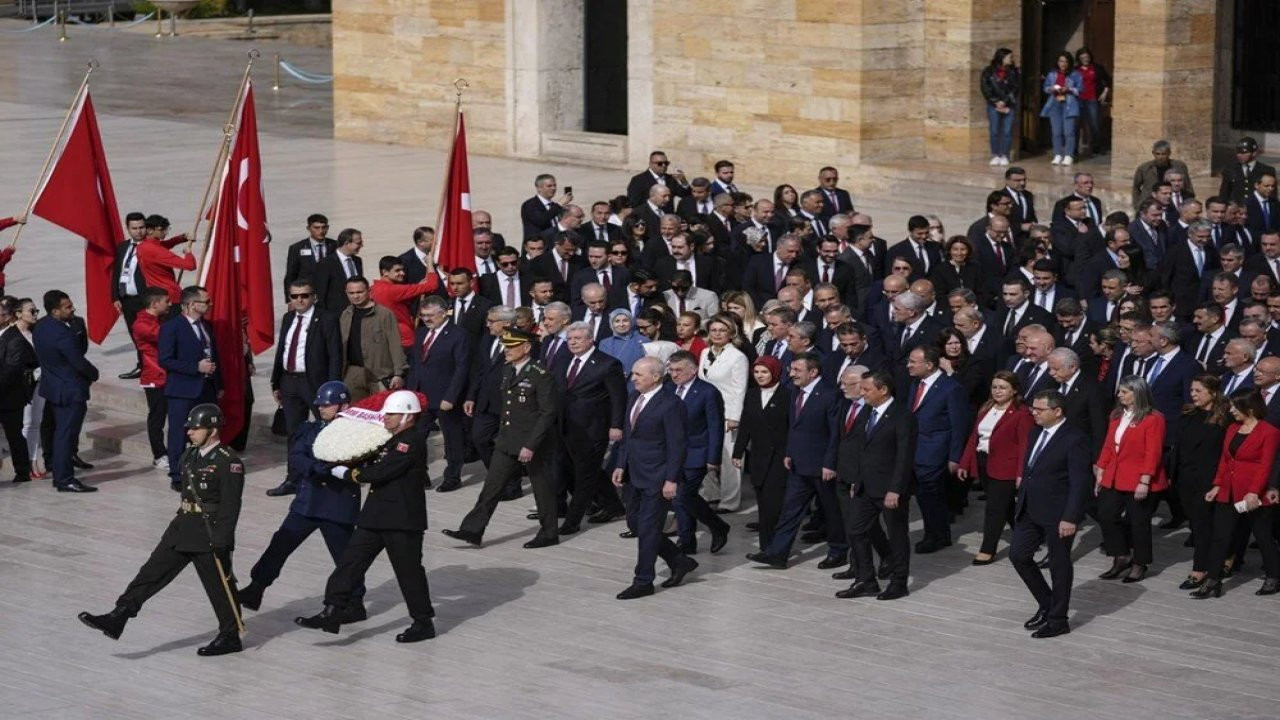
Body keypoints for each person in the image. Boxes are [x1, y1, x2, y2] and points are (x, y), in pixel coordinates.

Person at [78, 404, 245, 656]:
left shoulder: (227, 461)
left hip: (209, 533)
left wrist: (223, 540)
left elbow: (231, 505)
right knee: (150, 573)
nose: (190, 432)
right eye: (189, 428)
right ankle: (119, 615)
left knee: (219, 586)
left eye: (196, 428)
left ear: (212, 430)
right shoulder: (190, 455)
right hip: (182, 526)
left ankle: (230, 635)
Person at [295, 390, 437, 643]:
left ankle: (423, 621)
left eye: (391, 414)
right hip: (375, 516)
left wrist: (346, 474)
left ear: (407, 416)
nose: (386, 418)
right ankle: (332, 610)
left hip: (401, 521)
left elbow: (381, 472)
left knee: (409, 572)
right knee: (350, 563)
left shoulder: (411, 441)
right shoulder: (390, 439)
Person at [239, 382, 363, 613]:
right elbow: (297, 456)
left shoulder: (356, 434)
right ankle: (257, 587)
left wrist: (320, 466)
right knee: (279, 546)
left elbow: (349, 460)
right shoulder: (311, 429)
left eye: (327, 405)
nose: (322, 409)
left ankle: (354, 602)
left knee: (345, 558)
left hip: (337, 506)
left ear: (344, 405)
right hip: (308, 502)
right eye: (320, 405)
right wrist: (318, 467)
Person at [443, 329, 561, 548]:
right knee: (491, 487)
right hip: (507, 440)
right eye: (505, 346)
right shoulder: (507, 369)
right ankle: (472, 530)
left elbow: (548, 413)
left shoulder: (540, 375)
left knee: (542, 489)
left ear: (526, 348)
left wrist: (531, 445)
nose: (506, 351)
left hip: (533, 443)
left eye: (511, 347)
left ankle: (549, 533)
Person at [746, 352, 846, 569]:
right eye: (791, 369)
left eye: (797, 370)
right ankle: (777, 553)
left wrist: (830, 463)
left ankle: (839, 550)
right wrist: (789, 452)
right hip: (798, 464)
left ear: (813, 372)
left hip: (822, 466)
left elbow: (835, 433)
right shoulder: (794, 392)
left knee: (831, 511)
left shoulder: (830, 395)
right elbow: (793, 426)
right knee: (790, 511)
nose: (791, 374)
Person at [611, 356, 698, 599]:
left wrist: (671, 479)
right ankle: (678, 559)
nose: (633, 378)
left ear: (656, 377)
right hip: (634, 472)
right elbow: (629, 436)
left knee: (649, 528)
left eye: (639, 374)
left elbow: (677, 445)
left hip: (657, 476)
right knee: (636, 523)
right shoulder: (634, 397)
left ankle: (643, 580)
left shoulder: (671, 405)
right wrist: (620, 464)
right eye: (634, 373)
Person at [1009, 389, 1092, 639]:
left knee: (1059, 565)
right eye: (1033, 407)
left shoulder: (1074, 438)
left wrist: (1071, 517)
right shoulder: (1036, 432)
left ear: (1057, 411)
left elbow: (1080, 482)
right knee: (1018, 555)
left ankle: (1058, 619)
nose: (1034, 412)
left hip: (1058, 514)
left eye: (1039, 409)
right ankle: (1047, 602)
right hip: (1030, 508)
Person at [834, 370, 916, 600]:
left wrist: (895, 489)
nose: (862, 393)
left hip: (889, 488)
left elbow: (904, 456)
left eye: (866, 389)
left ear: (883, 390)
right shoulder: (867, 412)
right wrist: (856, 480)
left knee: (897, 535)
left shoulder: (902, 416)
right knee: (856, 529)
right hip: (865, 486)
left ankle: (899, 582)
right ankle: (866, 579)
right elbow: (861, 449)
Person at [1193, 389, 1280, 598]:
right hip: (1228, 491)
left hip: (1254, 495)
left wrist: (1253, 492)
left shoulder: (1269, 432)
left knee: (1263, 536)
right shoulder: (1232, 428)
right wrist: (1216, 485)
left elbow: (1265, 466)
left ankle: (1274, 576)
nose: (1231, 410)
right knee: (1220, 536)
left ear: (1249, 409)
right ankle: (1213, 580)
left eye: (1235, 407)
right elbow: (1225, 460)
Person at [266, 280, 343, 496]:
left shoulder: (327, 318)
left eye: (305, 295)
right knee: (294, 433)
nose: (300, 300)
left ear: (314, 297)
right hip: (290, 381)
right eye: (295, 296)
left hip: (316, 383)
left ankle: (327, 478)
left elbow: (335, 355)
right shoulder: (289, 318)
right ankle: (293, 478)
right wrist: (276, 381)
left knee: (326, 431)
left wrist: (332, 388)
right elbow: (283, 350)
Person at [553, 322, 627, 533]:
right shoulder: (564, 360)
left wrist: (616, 425)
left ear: (590, 339)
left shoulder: (608, 364)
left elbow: (618, 398)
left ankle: (572, 521)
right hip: (565, 426)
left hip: (592, 428)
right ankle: (613, 505)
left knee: (584, 474)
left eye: (577, 338)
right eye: (569, 339)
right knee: (581, 470)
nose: (573, 342)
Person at [1094, 376, 1167, 583]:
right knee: (1107, 514)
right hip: (1115, 474)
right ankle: (1121, 555)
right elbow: (1109, 444)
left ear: (1138, 393)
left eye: (1124, 392)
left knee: (1138, 522)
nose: (1119, 395)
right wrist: (1101, 469)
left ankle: (1140, 563)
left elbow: (1153, 452)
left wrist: (1145, 480)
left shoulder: (1153, 418)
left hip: (1139, 477)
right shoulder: (1117, 415)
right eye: (1120, 391)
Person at [958, 371, 1033, 564]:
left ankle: (987, 549)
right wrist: (965, 462)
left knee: (994, 508)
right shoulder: (986, 408)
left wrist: (1021, 474)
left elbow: (1025, 445)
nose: (997, 391)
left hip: (1006, 467)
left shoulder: (1022, 414)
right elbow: (974, 437)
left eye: (1003, 387)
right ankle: (1028, 535)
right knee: (1006, 506)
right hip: (984, 463)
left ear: (1014, 390)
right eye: (994, 387)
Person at [33, 290, 100, 493]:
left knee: (60, 433)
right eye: (67, 307)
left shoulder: (41, 326)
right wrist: (94, 374)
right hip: (69, 390)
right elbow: (78, 361)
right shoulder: (62, 333)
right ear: (55, 311)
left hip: (53, 387)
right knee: (66, 435)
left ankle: (59, 474)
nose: (73, 309)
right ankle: (65, 479)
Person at [1169, 375, 1231, 591]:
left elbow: (1225, 455)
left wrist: (1218, 482)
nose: (1193, 394)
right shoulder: (1188, 414)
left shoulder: (1223, 420)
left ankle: (1200, 569)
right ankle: (1222, 557)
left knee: (1202, 526)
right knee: (1197, 524)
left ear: (1212, 392)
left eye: (1198, 391)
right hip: (1185, 479)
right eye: (1192, 390)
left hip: (1208, 480)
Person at [665, 351, 731, 554]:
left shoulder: (707, 392)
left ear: (693, 370)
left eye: (679, 370)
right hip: (672, 453)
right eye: (671, 370)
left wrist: (713, 458)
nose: (674, 374)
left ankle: (716, 525)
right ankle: (687, 541)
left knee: (684, 495)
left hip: (697, 452)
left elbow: (715, 426)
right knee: (679, 497)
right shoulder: (668, 388)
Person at [905, 345, 969, 553]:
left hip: (935, 451)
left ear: (929, 365)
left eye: (913, 362)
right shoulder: (916, 384)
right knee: (923, 495)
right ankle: (934, 532)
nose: (909, 365)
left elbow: (959, 425)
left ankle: (938, 536)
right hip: (915, 449)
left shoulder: (951, 388)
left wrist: (955, 457)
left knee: (932, 494)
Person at [160, 286, 221, 492]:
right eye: (206, 301)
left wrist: (218, 383)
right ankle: (177, 474)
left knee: (207, 431)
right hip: (182, 389)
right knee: (179, 433)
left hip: (206, 388)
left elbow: (214, 355)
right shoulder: (172, 327)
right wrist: (195, 367)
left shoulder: (207, 326)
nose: (209, 304)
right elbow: (165, 359)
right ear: (192, 304)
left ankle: (204, 468)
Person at [408, 295, 471, 492]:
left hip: (445, 397)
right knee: (417, 437)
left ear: (443, 314)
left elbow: (462, 368)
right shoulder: (420, 333)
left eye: (430, 315)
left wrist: (451, 397)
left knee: (452, 439)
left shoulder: (458, 335)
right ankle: (421, 474)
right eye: (423, 315)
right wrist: (411, 392)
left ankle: (452, 477)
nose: (426, 319)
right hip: (421, 397)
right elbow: (416, 364)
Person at [732, 356, 790, 549]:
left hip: (779, 458)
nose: (760, 376)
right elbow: (746, 424)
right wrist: (737, 452)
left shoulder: (787, 395)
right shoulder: (752, 394)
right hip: (758, 456)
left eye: (764, 372)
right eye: (756, 372)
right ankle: (766, 546)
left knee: (774, 504)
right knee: (763, 504)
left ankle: (776, 546)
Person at [698, 314, 749, 513]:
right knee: (706, 453)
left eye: (722, 330)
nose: (717, 334)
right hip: (707, 412)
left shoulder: (738, 357)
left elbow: (740, 389)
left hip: (728, 413)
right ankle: (711, 493)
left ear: (731, 333)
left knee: (730, 459)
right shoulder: (704, 352)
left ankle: (730, 501)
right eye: (714, 330)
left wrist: (734, 417)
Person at [338, 277, 406, 402]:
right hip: (352, 373)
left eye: (359, 292)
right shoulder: (345, 314)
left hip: (380, 374)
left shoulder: (384, 314)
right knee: (355, 415)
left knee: (381, 414)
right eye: (351, 293)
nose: (356, 296)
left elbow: (395, 344)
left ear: (369, 291)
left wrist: (398, 373)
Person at [131, 287, 173, 471]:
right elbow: (164, 335)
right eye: (166, 301)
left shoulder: (161, 319)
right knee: (157, 417)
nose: (170, 304)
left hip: (169, 375)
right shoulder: (141, 324)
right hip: (154, 377)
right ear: (155, 304)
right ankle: (159, 455)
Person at [0, 298, 37, 483]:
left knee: (15, 435)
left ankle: (23, 471)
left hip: (10, 396)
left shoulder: (14, 337)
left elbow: (11, 369)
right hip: (7, 393)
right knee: (14, 435)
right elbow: (8, 369)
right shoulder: (9, 336)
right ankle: (22, 470)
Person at [1040, 52, 1082, 166]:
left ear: (1069, 63)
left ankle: (1069, 155)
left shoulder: (1075, 74)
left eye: (1066, 61)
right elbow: (1045, 88)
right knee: (1056, 132)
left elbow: (1080, 89)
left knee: (1069, 132)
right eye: (1061, 61)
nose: (1063, 64)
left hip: (1069, 104)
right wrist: (1052, 88)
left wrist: (1069, 89)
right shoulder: (1052, 74)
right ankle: (1057, 154)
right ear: (1058, 62)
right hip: (1055, 104)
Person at [980, 48, 1020, 166]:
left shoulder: (1014, 71)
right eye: (1009, 57)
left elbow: (1016, 88)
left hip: (1009, 105)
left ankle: (1005, 154)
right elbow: (985, 88)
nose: (1011, 59)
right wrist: (996, 101)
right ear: (1002, 57)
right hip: (994, 105)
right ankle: (996, 154)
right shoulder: (988, 71)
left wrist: (1005, 101)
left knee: (1007, 131)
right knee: (994, 130)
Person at [282, 214, 336, 299]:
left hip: (331, 295)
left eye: (324, 227)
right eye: (316, 228)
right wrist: (290, 299)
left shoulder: (336, 245)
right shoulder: (297, 248)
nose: (321, 231)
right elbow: (291, 275)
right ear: (308, 228)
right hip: (307, 295)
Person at [313, 228, 365, 311]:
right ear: (347, 243)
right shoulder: (326, 263)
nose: (361, 246)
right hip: (335, 313)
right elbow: (321, 293)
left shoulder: (358, 261)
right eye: (359, 243)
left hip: (357, 310)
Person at [1073, 47, 1111, 157]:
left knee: (1094, 124)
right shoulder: (1075, 70)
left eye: (1087, 57)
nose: (1085, 59)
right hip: (1078, 100)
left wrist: (1104, 93)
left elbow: (1108, 80)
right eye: (1083, 57)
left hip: (1092, 99)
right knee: (1076, 125)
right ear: (1079, 58)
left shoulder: (1097, 68)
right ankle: (1074, 149)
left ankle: (1096, 147)